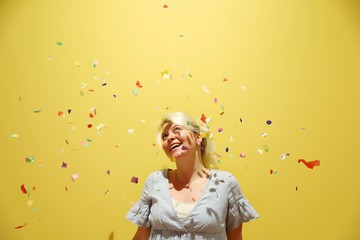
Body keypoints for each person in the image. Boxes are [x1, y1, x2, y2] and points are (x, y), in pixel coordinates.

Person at [126, 112, 259, 240]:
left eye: (176, 130)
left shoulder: (225, 182)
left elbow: (235, 237)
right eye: (164, 136)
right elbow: (141, 236)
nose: (170, 138)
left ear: (197, 137)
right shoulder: (155, 180)